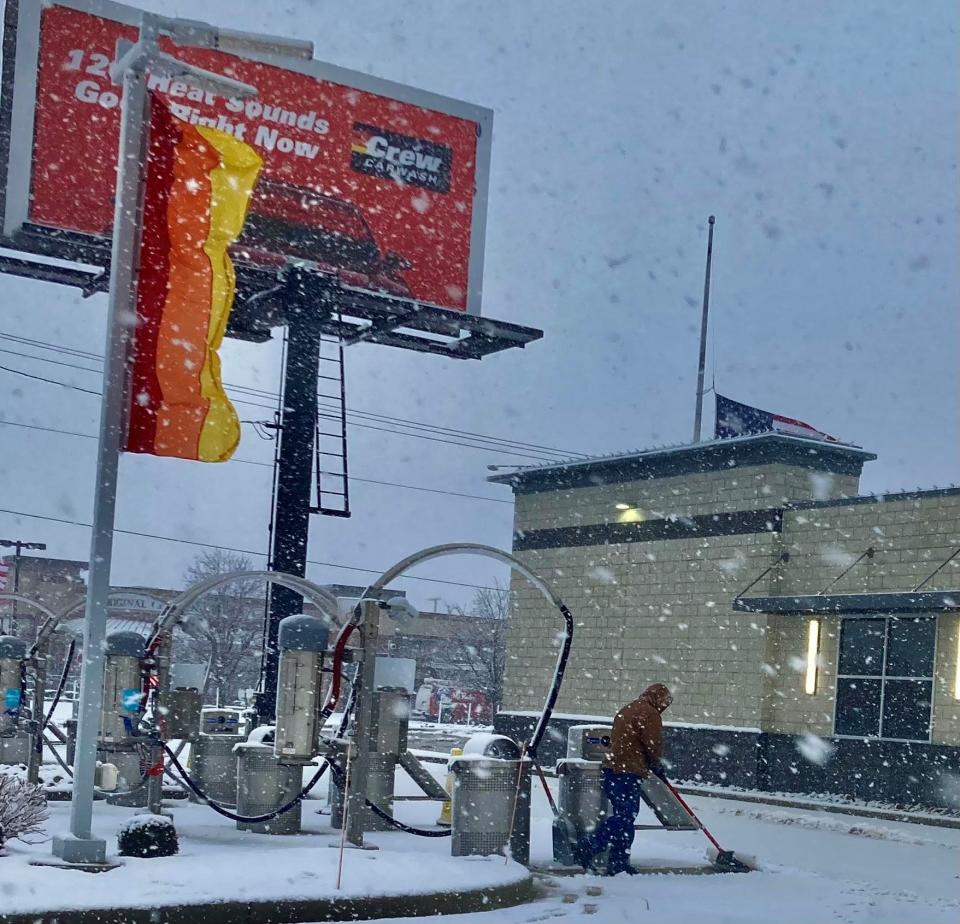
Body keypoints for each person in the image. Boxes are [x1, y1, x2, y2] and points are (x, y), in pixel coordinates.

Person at [577, 682, 673, 875]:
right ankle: (590, 845)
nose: (664, 706)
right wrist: (656, 762)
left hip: (612, 768)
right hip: (628, 770)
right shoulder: (649, 713)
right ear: (658, 698)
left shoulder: (628, 708)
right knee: (625, 816)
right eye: (665, 701)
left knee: (625, 817)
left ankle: (618, 862)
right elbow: (653, 743)